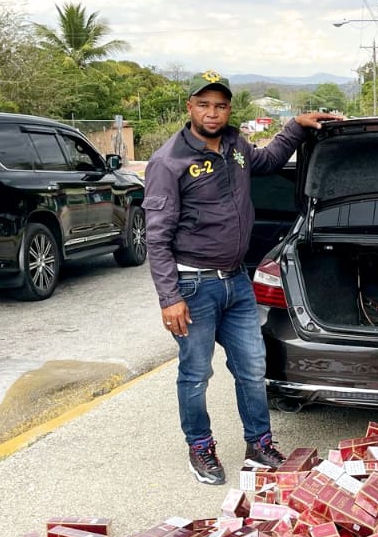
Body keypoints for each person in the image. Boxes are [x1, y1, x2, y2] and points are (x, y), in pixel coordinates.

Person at [144, 71, 341, 485]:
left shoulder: (235, 145)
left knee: (253, 369)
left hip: (237, 282)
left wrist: (295, 128)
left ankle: (260, 445)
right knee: (196, 374)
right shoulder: (169, 161)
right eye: (204, 104)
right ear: (190, 107)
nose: (212, 113)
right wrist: (169, 297)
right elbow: (157, 237)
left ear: (229, 108)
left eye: (220, 105)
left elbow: (268, 163)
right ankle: (200, 447)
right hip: (193, 287)